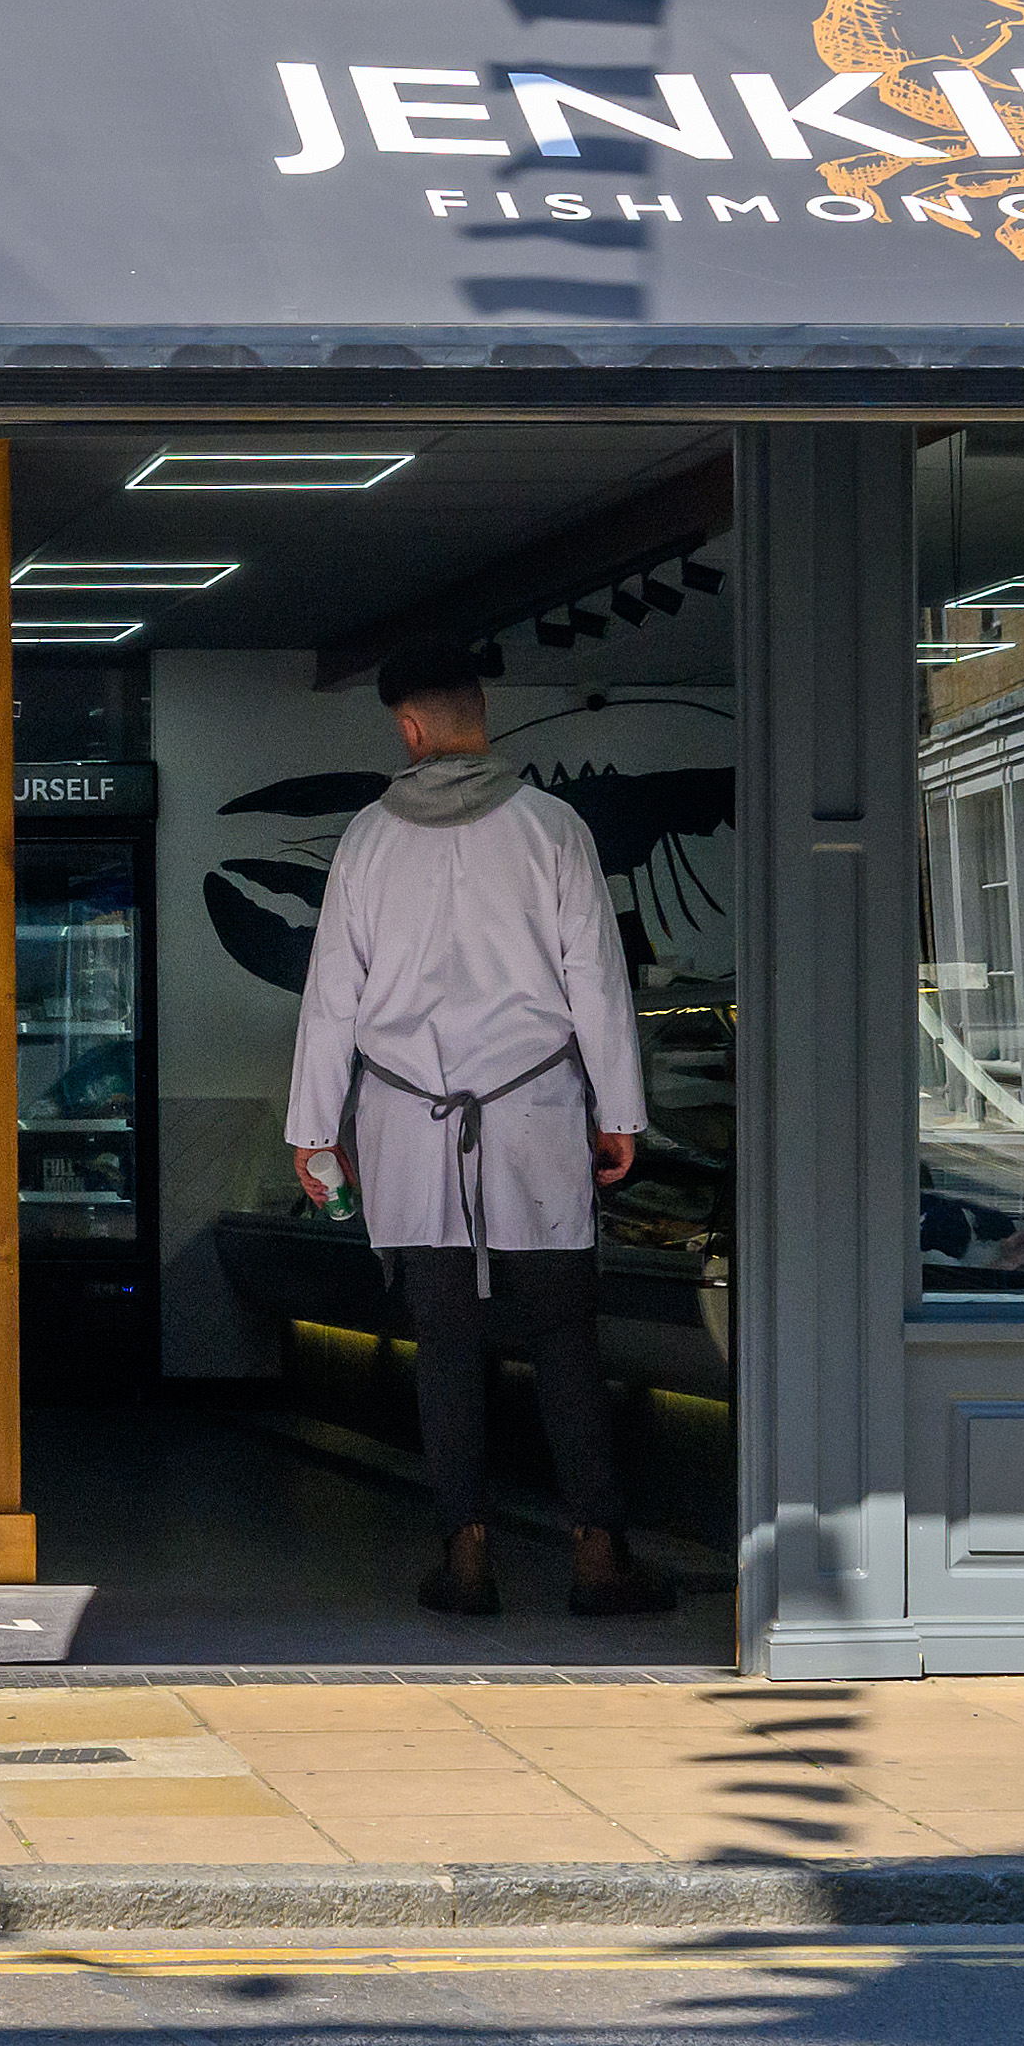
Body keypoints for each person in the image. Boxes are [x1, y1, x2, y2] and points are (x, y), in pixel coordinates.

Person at [280, 649, 660, 1620]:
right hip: (535, 1119)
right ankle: (597, 1555)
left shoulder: (365, 841)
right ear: (478, 716)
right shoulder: (551, 828)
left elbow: (332, 998)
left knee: (443, 1342)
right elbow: (596, 982)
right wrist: (616, 1111)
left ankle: (464, 1556)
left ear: (407, 728)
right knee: (563, 1336)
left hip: (410, 1123)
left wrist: (313, 1132)